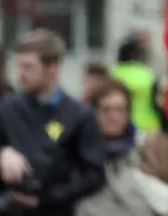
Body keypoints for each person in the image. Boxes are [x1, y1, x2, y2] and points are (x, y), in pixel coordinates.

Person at [0, 29, 105, 215]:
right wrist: (3, 152)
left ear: (52, 68)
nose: (20, 74)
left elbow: (94, 175)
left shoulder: (78, 115)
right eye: (19, 66)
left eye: (28, 67)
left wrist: (49, 196)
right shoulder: (7, 107)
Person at [75, 77, 168, 216]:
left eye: (120, 110)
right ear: (94, 112)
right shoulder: (81, 153)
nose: (113, 116)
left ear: (128, 113)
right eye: (106, 110)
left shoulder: (146, 147)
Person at [110, 37, 160, 135]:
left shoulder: (112, 73)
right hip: (148, 125)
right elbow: (156, 103)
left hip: (119, 125)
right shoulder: (148, 74)